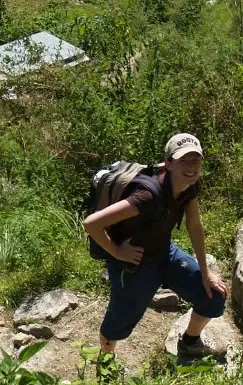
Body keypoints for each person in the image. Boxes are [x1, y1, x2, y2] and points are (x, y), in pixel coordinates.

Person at [83, 133, 229, 360]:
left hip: (164, 254)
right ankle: (106, 361)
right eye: (184, 160)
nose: (191, 167)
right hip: (133, 266)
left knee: (212, 295)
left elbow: (194, 225)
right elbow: (92, 223)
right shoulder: (148, 195)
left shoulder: (190, 185)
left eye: (196, 160)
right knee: (118, 323)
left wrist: (205, 272)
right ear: (168, 163)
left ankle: (190, 343)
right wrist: (117, 251)